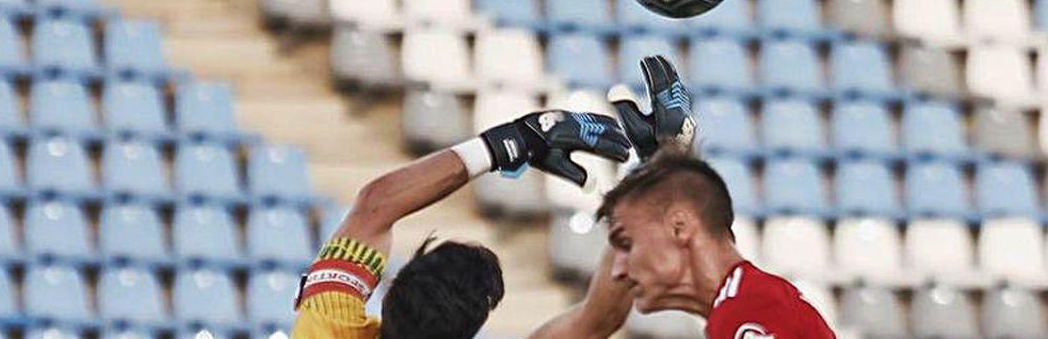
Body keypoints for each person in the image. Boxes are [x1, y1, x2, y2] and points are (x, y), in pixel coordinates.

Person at [541, 56, 836, 339]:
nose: (619, 269)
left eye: (627, 244)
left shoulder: (748, 313)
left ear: (680, 227)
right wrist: (656, 166)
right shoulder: (746, 303)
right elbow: (594, 321)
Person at [291, 107, 633, 339]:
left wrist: (509, 142)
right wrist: (650, 194)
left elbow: (375, 204)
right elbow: (599, 319)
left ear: (391, 292)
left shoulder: (327, 327)